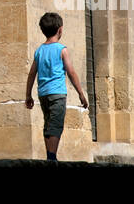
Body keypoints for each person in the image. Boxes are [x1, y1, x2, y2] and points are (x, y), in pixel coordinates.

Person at [24, 11, 88, 161]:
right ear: (60, 30)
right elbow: (71, 72)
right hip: (57, 94)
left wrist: (28, 95)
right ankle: (52, 157)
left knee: (48, 124)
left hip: (43, 94)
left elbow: (32, 74)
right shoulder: (62, 49)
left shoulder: (39, 51)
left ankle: (50, 155)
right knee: (56, 125)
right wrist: (80, 93)